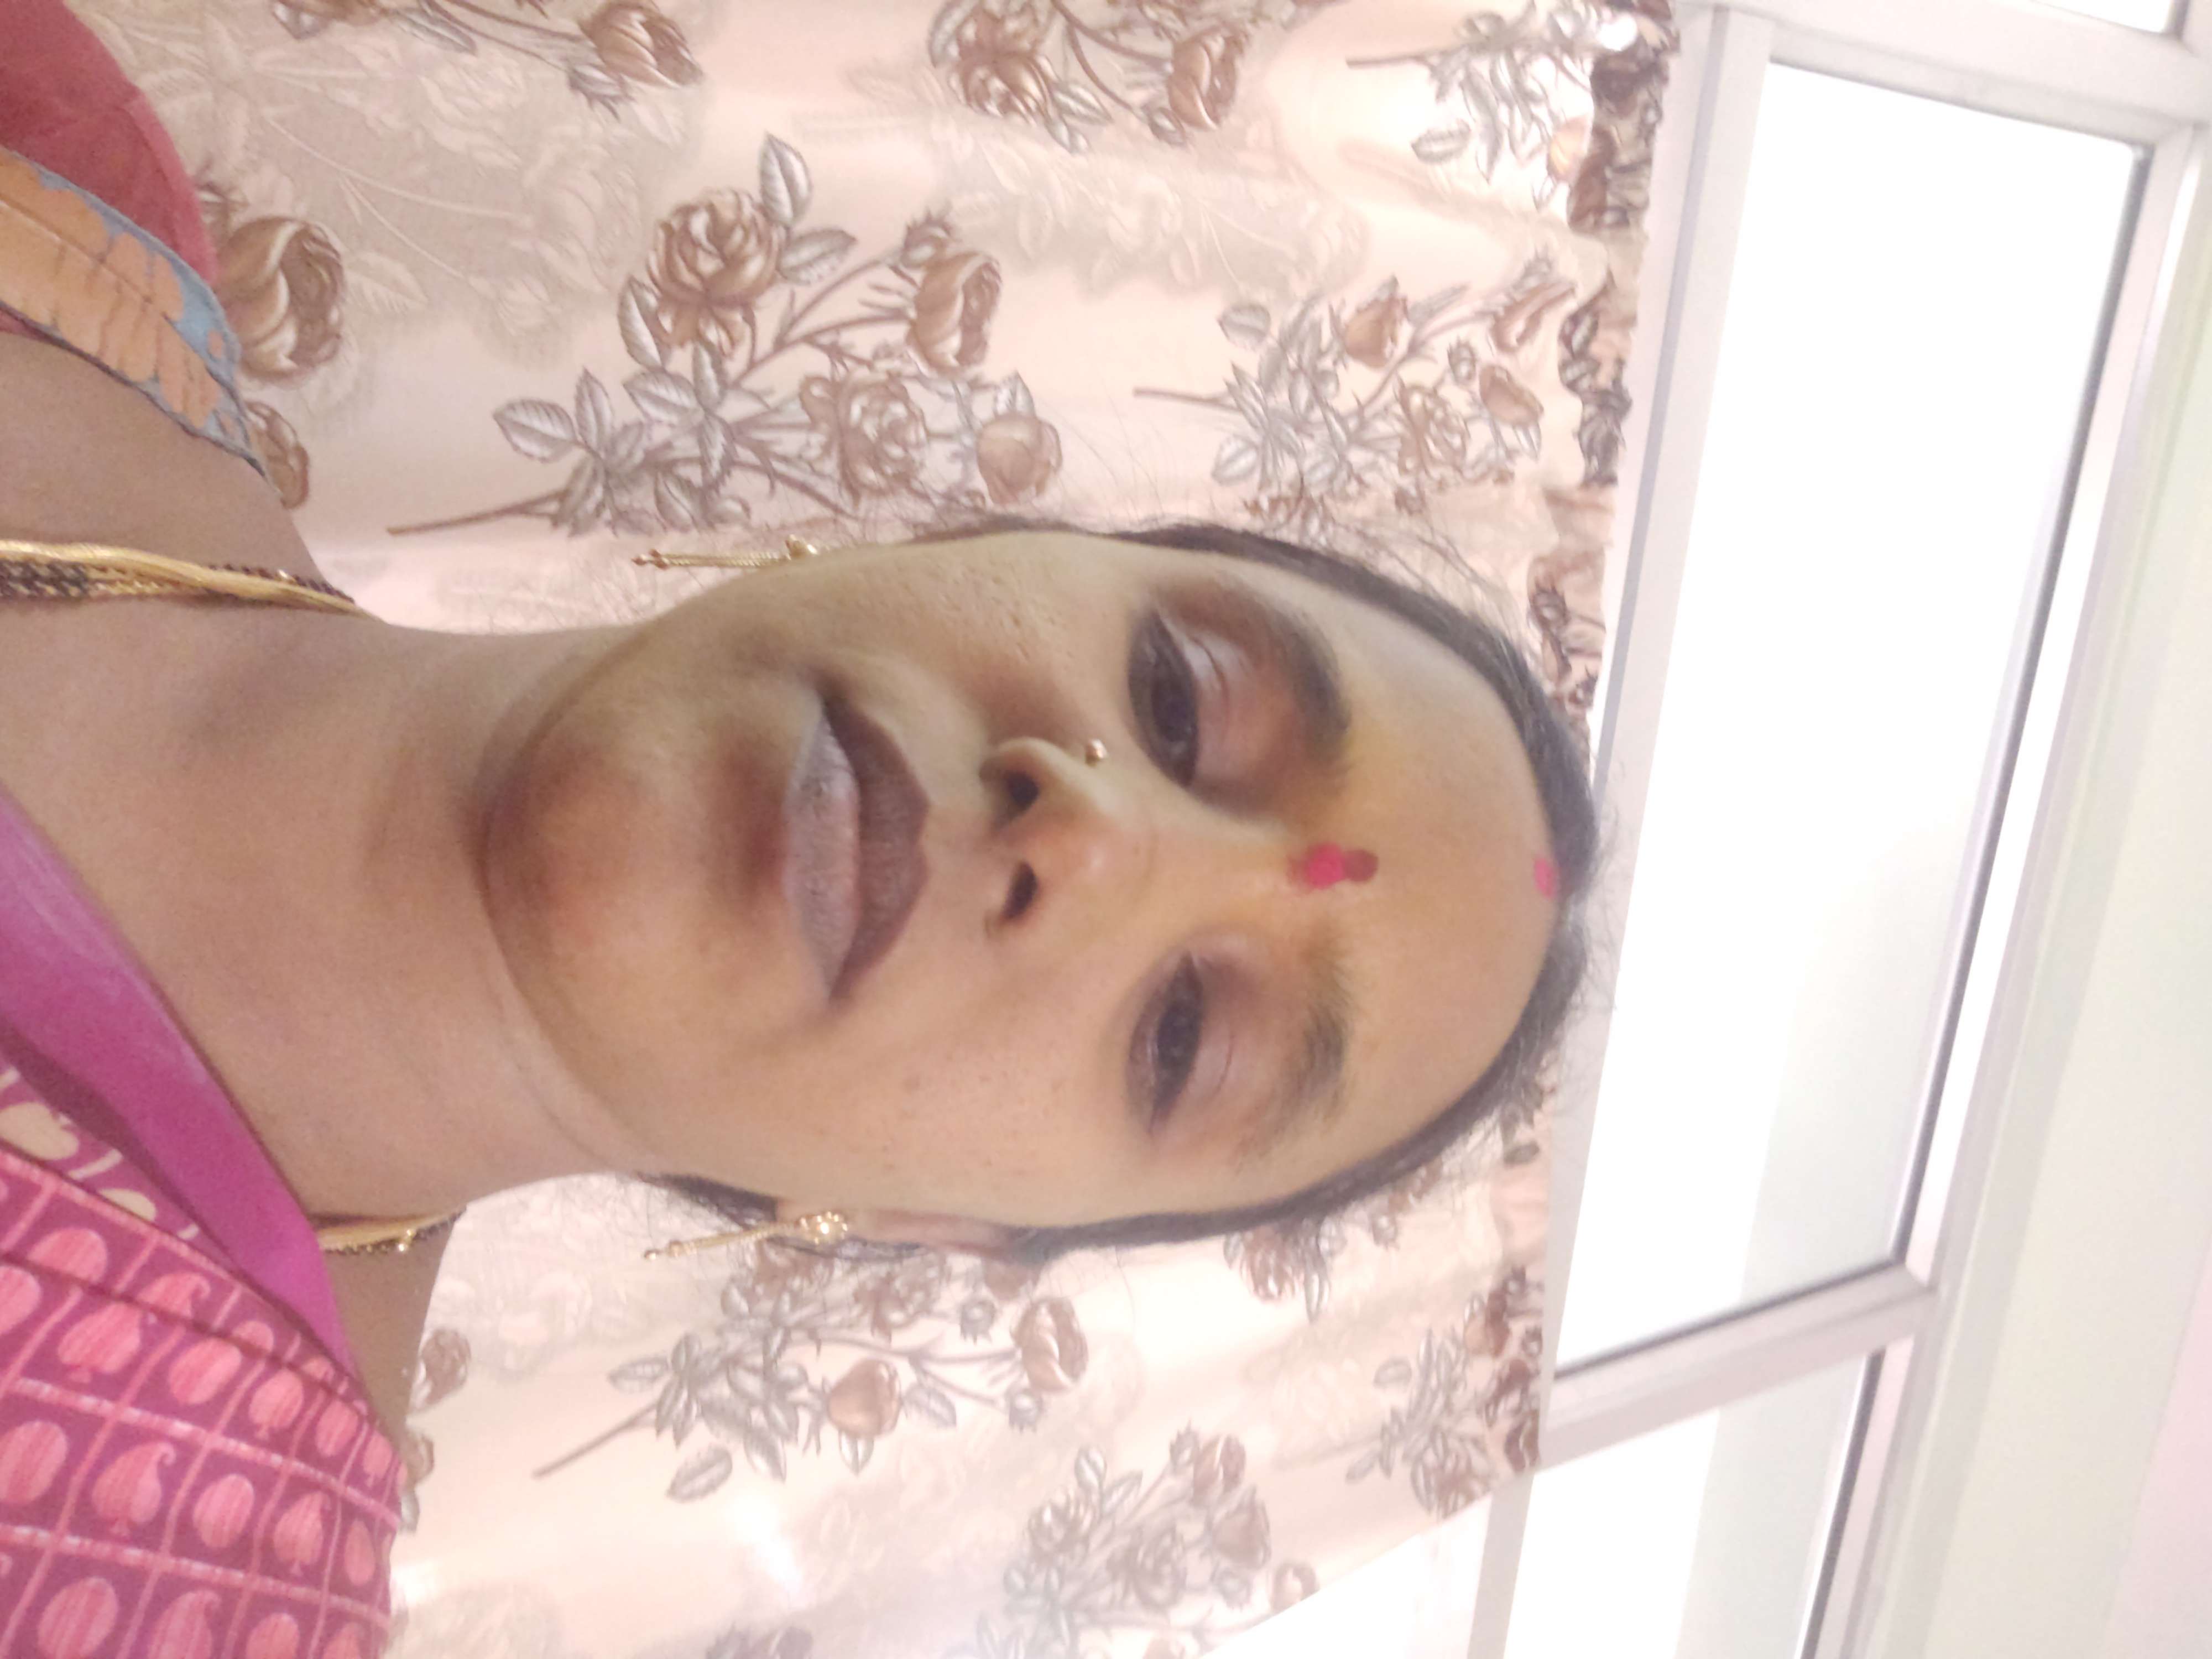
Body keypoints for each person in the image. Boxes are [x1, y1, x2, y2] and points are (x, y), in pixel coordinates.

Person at [0, 4, 1595, 1653]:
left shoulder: (162, 1585)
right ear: (963, 541)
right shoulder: (57, 175)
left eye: (1183, 1037)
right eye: (1179, 700)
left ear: (933, 1231)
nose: (1094, 841)